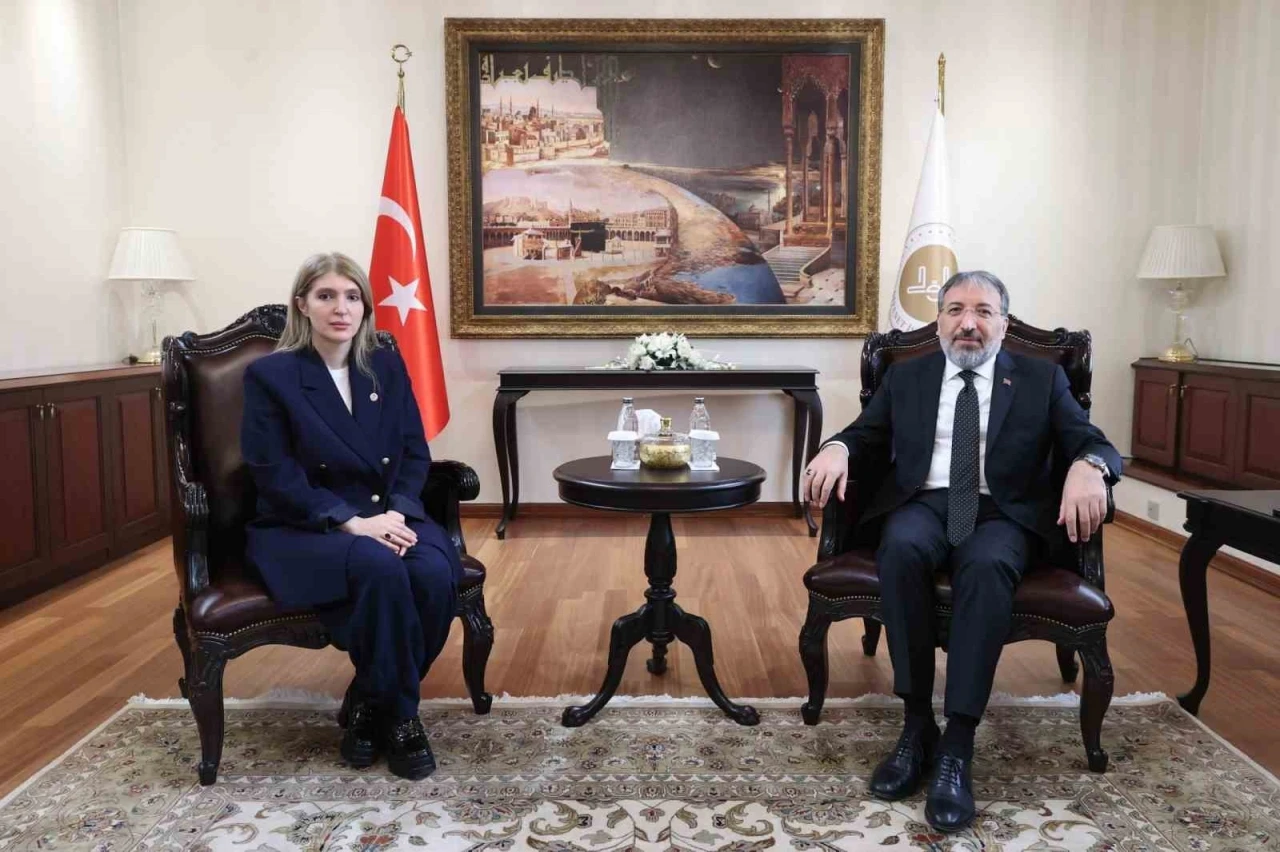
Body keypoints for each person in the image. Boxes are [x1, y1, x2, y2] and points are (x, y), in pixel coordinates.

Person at [804, 270, 1121, 832]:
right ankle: (915, 724)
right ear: (939, 321)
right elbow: (865, 433)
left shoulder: (1041, 378)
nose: (967, 323)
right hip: (924, 502)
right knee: (900, 548)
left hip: (1004, 511)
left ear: (1003, 322)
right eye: (954, 310)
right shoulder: (909, 375)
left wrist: (1089, 467)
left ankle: (958, 741)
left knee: (988, 564)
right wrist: (835, 448)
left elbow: (1091, 441)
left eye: (982, 311)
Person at [241, 252, 461, 780]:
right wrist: (352, 522)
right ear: (302, 305)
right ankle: (402, 719)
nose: (341, 308)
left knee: (434, 573)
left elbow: (414, 452)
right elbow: (274, 473)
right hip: (305, 523)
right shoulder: (271, 376)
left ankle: (368, 702)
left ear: (364, 306)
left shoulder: (383, 364)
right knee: (379, 567)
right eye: (326, 296)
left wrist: (399, 512)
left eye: (351, 296)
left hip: (387, 513)